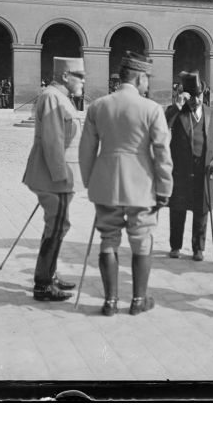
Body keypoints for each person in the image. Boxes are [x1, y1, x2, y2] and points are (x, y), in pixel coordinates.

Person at [79, 52, 173, 316]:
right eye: (147, 80)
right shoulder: (151, 109)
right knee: (141, 239)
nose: (148, 85)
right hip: (141, 185)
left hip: (106, 182)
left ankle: (109, 302)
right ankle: (138, 301)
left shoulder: (98, 106)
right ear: (139, 76)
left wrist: (90, 181)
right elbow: (162, 153)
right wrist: (165, 188)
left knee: (108, 239)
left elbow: (86, 150)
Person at [22, 56, 86, 301]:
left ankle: (49, 274)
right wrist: (61, 178)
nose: (82, 81)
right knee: (57, 226)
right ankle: (43, 284)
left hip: (56, 176)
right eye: (78, 76)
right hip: (52, 177)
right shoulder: (52, 97)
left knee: (57, 225)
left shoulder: (60, 97)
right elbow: (52, 141)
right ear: (64, 76)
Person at [165, 71, 213, 262]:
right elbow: (163, 126)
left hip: (203, 170)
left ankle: (198, 248)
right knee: (177, 209)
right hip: (180, 170)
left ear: (203, 94)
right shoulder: (175, 112)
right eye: (192, 97)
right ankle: (175, 246)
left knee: (201, 210)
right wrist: (177, 105)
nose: (196, 100)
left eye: (199, 96)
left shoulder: (211, 114)